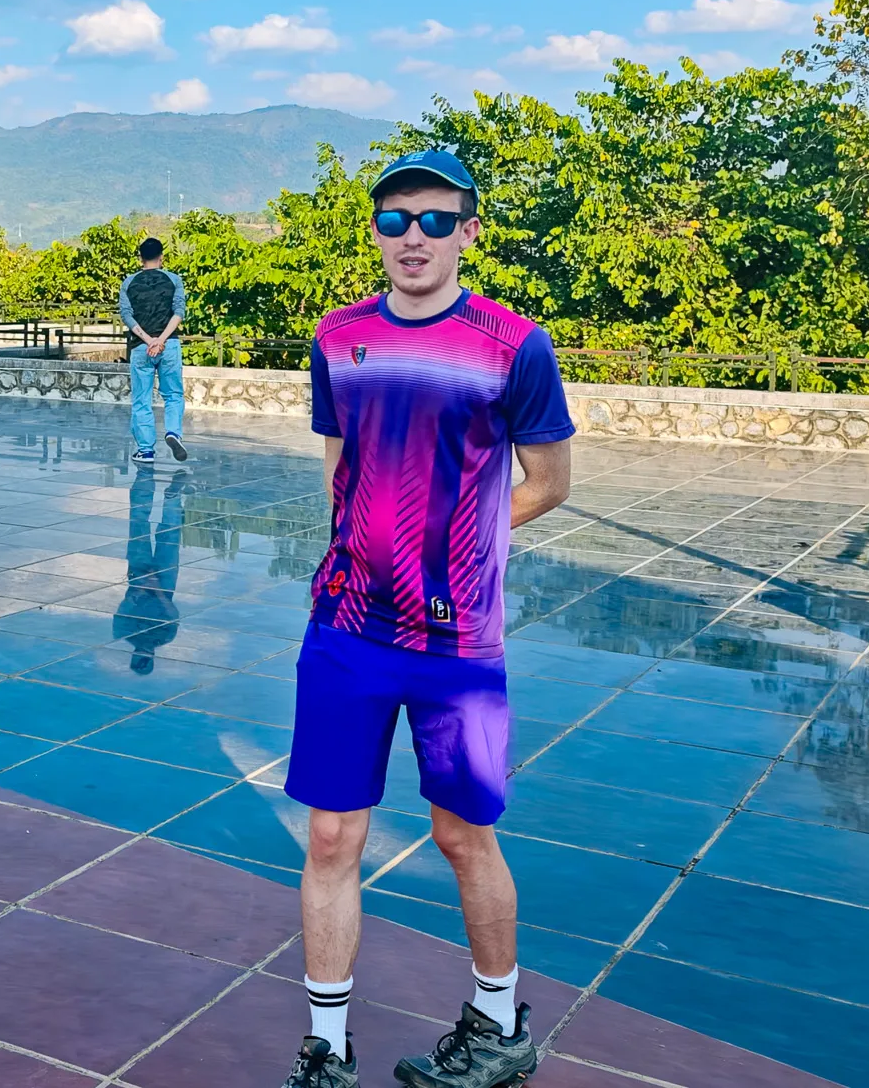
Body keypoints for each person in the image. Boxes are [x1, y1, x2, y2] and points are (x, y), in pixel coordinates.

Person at [280, 150, 575, 1088]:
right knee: (331, 835)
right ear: (376, 230)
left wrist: (458, 537)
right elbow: (341, 465)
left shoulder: (513, 344)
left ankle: (498, 1025)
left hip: (456, 641)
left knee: (462, 833)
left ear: (469, 232)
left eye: (436, 220)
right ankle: (327, 1048)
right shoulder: (339, 337)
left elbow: (549, 483)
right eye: (397, 219)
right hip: (347, 627)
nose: (415, 236)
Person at [119, 236, 189, 464]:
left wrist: (149, 340)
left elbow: (127, 315)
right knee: (174, 394)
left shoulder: (128, 283)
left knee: (141, 399)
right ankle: (173, 432)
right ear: (162, 257)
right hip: (169, 346)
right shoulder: (174, 280)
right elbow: (179, 312)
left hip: (141, 347)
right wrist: (161, 340)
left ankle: (146, 450)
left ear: (140, 258)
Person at [114, 468, 186, 673]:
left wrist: (144, 585)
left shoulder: (124, 632)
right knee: (170, 539)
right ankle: (172, 498)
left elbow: (125, 606)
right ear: (152, 658)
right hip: (164, 583)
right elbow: (172, 613)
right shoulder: (165, 636)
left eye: (138, 659)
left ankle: (143, 485)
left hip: (138, 578)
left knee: (139, 530)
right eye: (145, 660)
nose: (143, 655)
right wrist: (157, 589)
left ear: (134, 656)